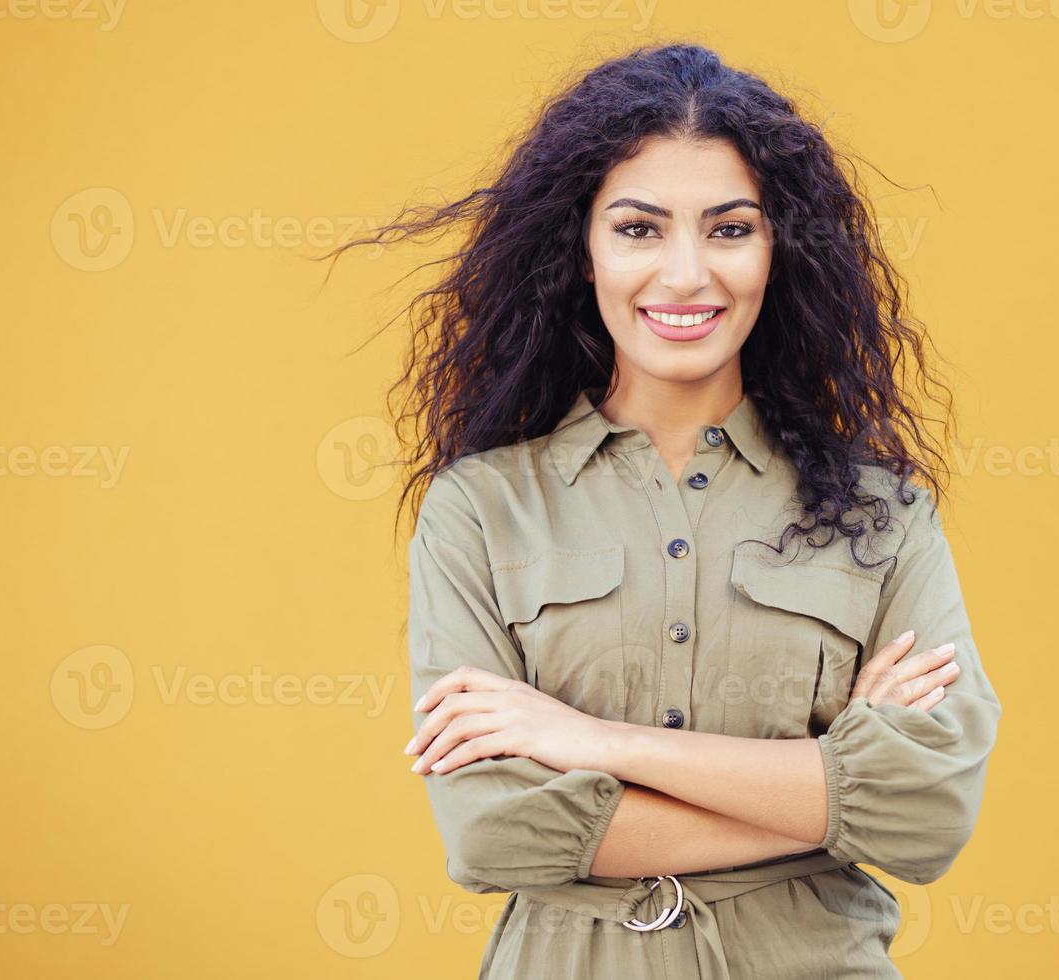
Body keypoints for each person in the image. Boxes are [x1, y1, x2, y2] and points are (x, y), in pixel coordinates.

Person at [335, 40, 1002, 980]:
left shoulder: (883, 516)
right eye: (639, 229)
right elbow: (493, 833)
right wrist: (825, 798)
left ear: (781, 249)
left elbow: (928, 814)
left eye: (730, 229)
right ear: (582, 250)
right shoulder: (480, 511)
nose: (686, 274)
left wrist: (592, 744)